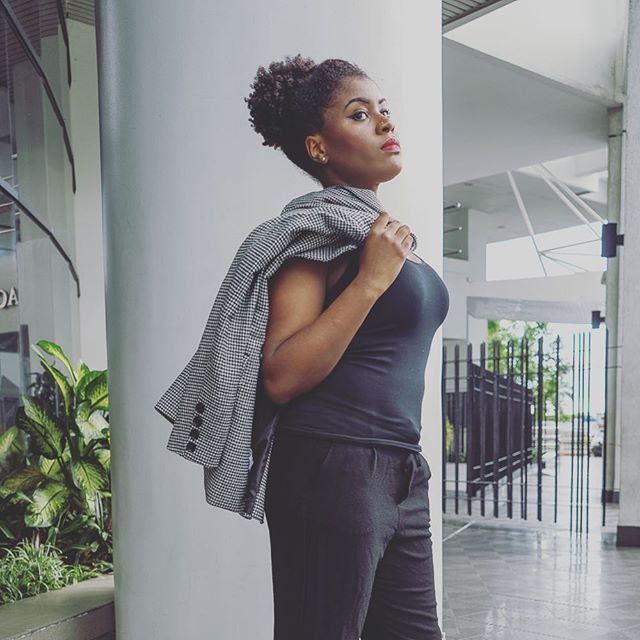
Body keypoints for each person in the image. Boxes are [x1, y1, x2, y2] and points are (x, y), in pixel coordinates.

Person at [244, 54, 449, 640]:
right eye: (360, 115)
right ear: (318, 147)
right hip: (332, 465)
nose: (385, 123)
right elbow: (281, 375)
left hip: (401, 469)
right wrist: (369, 282)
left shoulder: (380, 235)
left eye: (384, 110)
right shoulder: (314, 233)